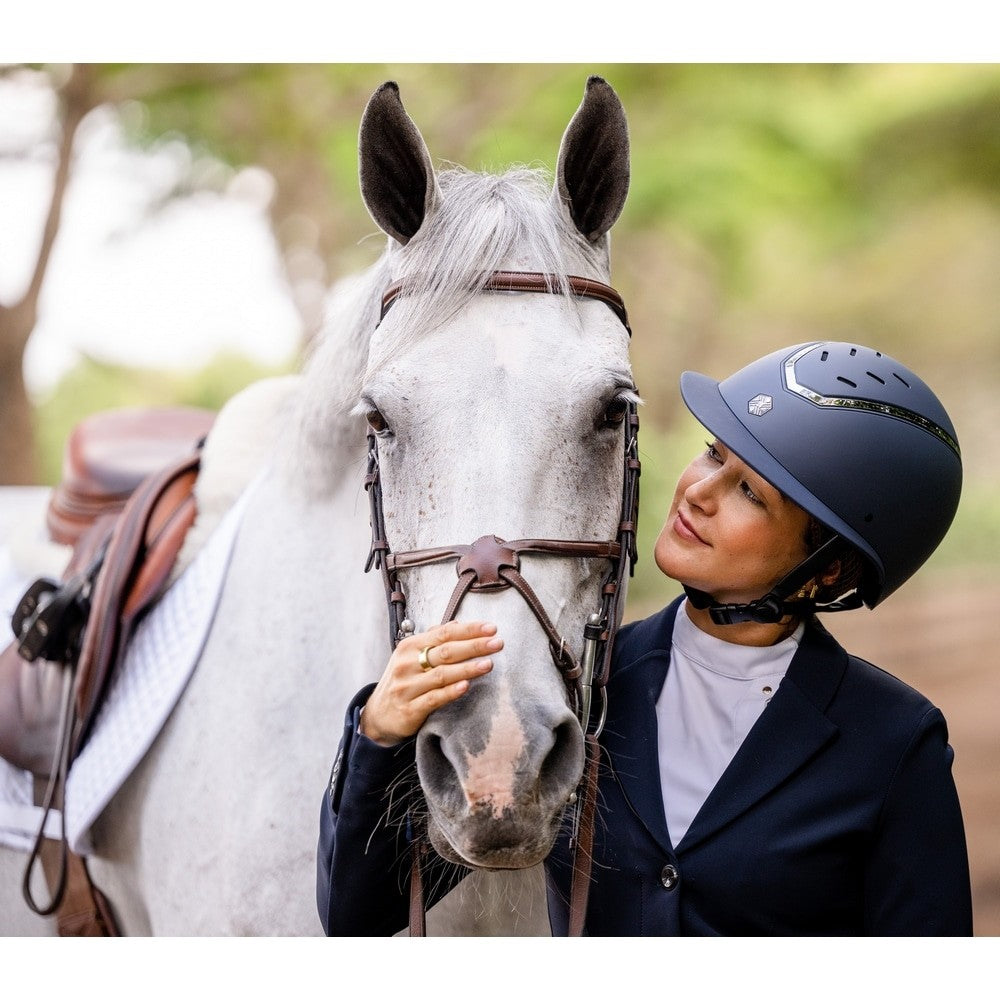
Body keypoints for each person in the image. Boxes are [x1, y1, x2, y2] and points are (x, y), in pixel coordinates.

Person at [316, 340, 973, 935]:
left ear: (827, 569)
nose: (698, 492)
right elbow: (360, 914)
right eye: (713, 453)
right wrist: (377, 733)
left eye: (750, 492)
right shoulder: (577, 688)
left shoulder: (895, 744)